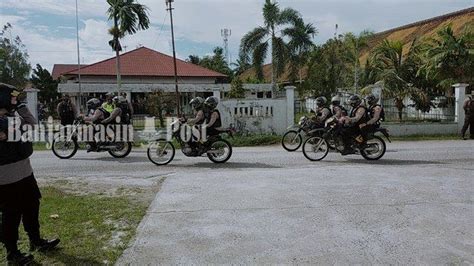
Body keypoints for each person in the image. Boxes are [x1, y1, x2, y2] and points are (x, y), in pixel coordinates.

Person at [0, 83, 60, 265]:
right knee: (12, 214)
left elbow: (32, 125)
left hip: (25, 171)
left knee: (32, 205)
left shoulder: (11, 116)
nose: (15, 100)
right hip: (7, 176)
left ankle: (36, 241)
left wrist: (20, 107)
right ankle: (13, 253)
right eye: (12, 97)